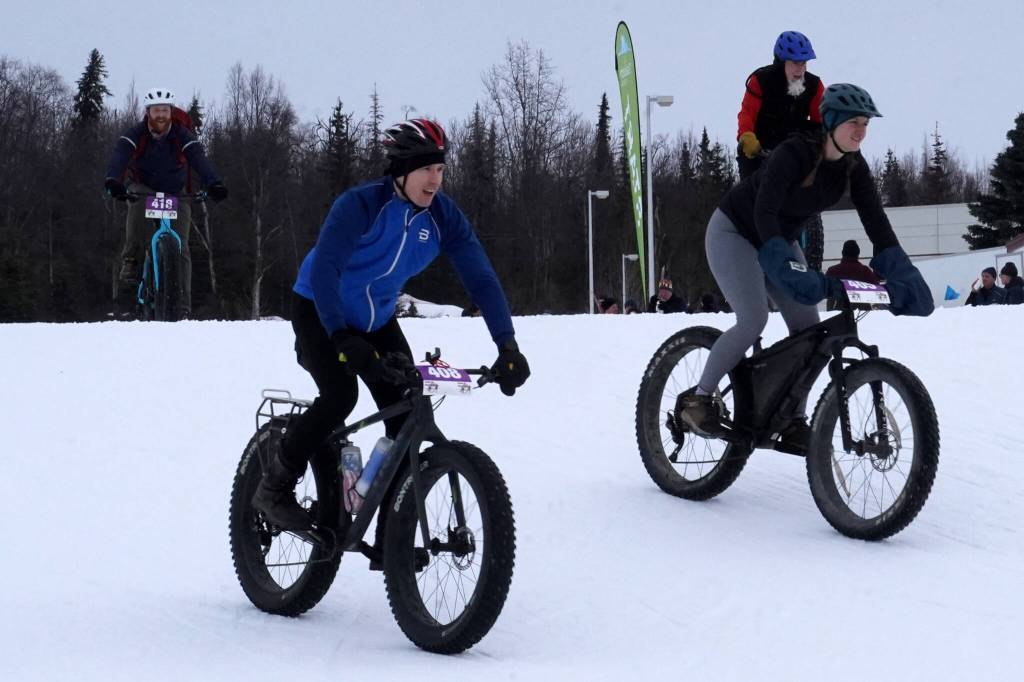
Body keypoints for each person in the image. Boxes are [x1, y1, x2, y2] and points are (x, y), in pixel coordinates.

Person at [251, 118, 531, 530]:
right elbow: (326, 270)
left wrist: (507, 346)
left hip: (376, 319)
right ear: (401, 172)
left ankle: (391, 532)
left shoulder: (442, 217)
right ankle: (273, 488)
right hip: (319, 309)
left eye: (440, 169)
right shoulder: (360, 205)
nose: (435, 181)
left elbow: (481, 279)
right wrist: (340, 336)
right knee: (339, 396)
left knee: (406, 409)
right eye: (426, 170)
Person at [679, 83, 933, 448]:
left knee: (809, 331)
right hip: (735, 231)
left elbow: (876, 223)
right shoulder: (794, 154)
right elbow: (763, 211)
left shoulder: (853, 168)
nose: (861, 132)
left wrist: (903, 273)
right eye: (853, 124)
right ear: (830, 122)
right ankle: (699, 398)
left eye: (866, 124)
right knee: (753, 319)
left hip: (780, 239)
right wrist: (783, 264)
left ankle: (791, 417)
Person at [104, 87, 227, 317]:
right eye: (156, 110)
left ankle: (183, 307)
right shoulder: (137, 133)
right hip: (143, 188)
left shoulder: (181, 135)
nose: (160, 115)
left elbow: (198, 158)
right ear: (148, 112)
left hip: (174, 192)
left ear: (171, 111)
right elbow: (121, 154)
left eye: (165, 110)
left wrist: (214, 183)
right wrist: (113, 181)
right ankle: (131, 265)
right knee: (138, 212)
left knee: (181, 245)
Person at [736, 31, 825, 180]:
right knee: (753, 197)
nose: (801, 69)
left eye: (804, 63)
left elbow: (822, 122)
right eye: (795, 63)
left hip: (794, 156)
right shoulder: (761, 81)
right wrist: (746, 136)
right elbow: (747, 114)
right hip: (759, 155)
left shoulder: (814, 86)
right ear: (781, 62)